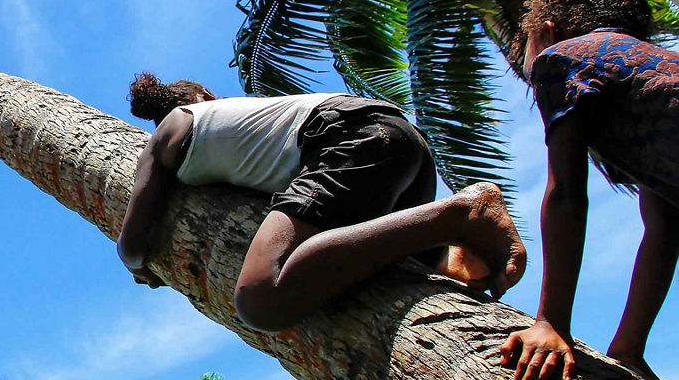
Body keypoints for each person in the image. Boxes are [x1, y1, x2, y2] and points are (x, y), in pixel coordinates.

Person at [117, 74, 527, 332]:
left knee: (260, 300)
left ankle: (466, 212)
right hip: (394, 148)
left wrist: (142, 268)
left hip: (351, 141)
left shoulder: (174, 127)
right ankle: (465, 260)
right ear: (208, 93)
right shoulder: (240, 126)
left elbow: (131, 240)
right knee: (437, 268)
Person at [500, 0, 679, 380]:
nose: (530, 73)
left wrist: (550, 322)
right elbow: (664, 227)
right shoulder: (652, 70)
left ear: (545, 29)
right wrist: (628, 349)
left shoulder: (562, 58)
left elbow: (565, 194)